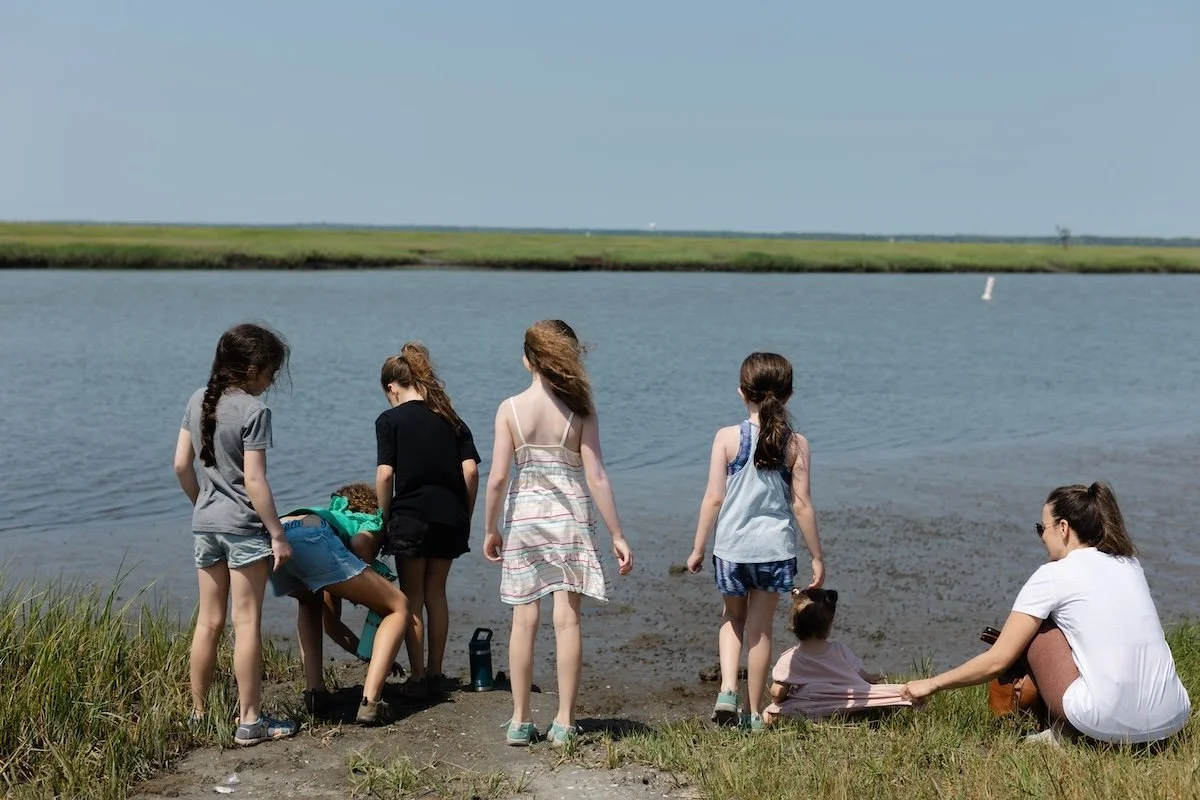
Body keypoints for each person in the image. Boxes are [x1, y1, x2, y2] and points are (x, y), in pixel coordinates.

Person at [902, 483, 1191, 747]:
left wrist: (933, 683)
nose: (1041, 536)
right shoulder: (1130, 563)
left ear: (1063, 527)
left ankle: (1062, 734)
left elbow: (997, 660)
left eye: (1042, 527)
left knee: (1036, 629)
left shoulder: (1053, 575)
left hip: (1103, 724)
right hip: (1171, 720)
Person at [483, 319, 634, 747]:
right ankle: (565, 722)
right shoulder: (580, 410)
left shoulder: (509, 408)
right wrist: (617, 534)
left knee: (523, 618)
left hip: (525, 521)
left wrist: (490, 527)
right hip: (569, 521)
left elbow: (496, 478)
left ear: (527, 358)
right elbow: (597, 475)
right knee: (567, 620)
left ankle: (519, 719)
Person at [172, 323, 298, 747]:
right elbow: (256, 482)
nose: (273, 381)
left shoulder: (196, 399)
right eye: (271, 372)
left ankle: (199, 713)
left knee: (208, 622)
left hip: (205, 525)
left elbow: (180, 466)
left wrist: (201, 505)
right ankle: (250, 721)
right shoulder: (253, 411)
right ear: (252, 369)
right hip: (243, 528)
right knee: (246, 623)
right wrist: (278, 535)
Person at [685, 352, 825, 731]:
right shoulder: (797, 444)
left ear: (741, 392)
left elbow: (713, 497)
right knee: (760, 630)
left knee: (732, 618)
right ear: (789, 394)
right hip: (774, 551)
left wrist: (698, 547)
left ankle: (728, 689)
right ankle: (751, 713)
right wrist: (817, 556)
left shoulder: (726, 438)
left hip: (731, 548)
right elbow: (802, 505)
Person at [374, 342, 481, 697]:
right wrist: (464, 513)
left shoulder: (389, 420)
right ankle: (436, 672)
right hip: (449, 516)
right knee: (437, 593)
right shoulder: (451, 418)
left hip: (411, 518)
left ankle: (417, 677)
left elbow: (386, 475)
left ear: (392, 387)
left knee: (412, 596)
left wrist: (384, 519)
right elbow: (470, 472)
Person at [272, 485, 410, 726]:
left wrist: (371, 655)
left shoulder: (335, 516)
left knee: (309, 602)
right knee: (399, 606)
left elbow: (332, 626)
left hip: (280, 535)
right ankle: (371, 703)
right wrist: (366, 573)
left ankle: (315, 693)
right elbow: (359, 542)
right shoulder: (371, 517)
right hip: (315, 539)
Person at [763, 588, 911, 726]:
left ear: (794, 624)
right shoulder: (839, 649)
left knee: (769, 714)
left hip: (810, 706)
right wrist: (869, 678)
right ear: (829, 625)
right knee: (882, 693)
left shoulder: (790, 658)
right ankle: (849, 715)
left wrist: (777, 698)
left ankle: (815, 718)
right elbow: (859, 672)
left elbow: (777, 693)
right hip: (844, 702)